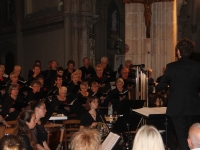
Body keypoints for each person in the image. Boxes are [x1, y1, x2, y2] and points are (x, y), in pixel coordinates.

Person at [155, 38, 200, 150]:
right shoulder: (197, 66)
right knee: (192, 136)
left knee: (181, 136)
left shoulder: (171, 67)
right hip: (193, 108)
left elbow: (162, 86)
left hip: (177, 108)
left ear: (178, 51)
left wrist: (155, 86)